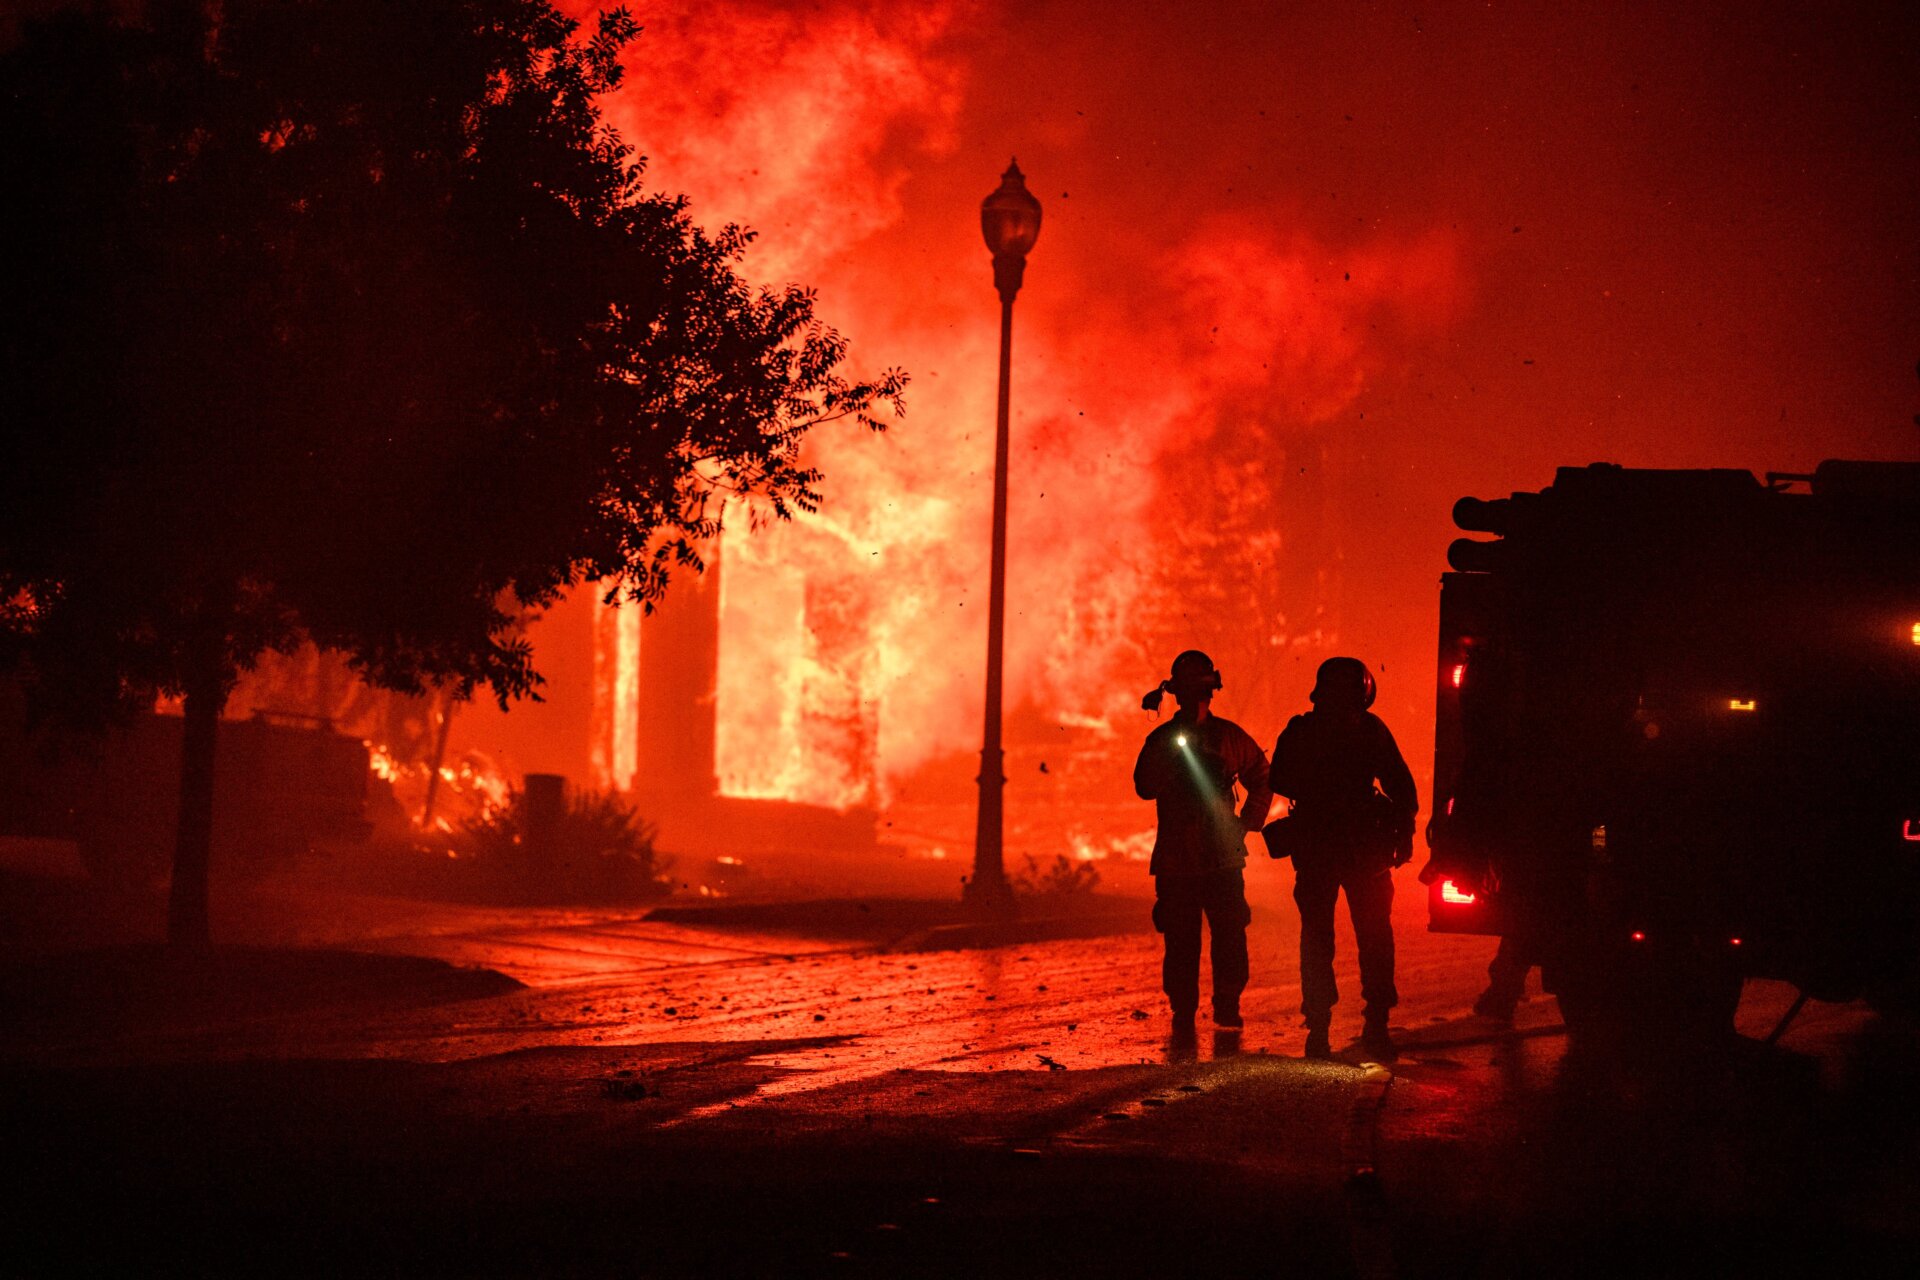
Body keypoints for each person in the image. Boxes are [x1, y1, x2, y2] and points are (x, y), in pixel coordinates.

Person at [1270, 657, 1418, 1061]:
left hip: (1318, 845)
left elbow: (1279, 778)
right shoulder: (1370, 729)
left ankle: (1318, 1025)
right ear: (1364, 691)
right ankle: (1377, 1022)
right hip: (1363, 849)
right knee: (1374, 935)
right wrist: (1404, 833)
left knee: (1317, 938)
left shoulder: (1302, 730)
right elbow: (1401, 786)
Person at [1133, 650, 1273, 1032]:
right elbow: (1145, 786)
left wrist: (1247, 823)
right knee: (1184, 940)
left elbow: (1262, 776)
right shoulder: (1167, 740)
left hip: (1215, 857)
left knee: (1224, 936)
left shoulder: (1228, 737)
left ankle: (1223, 1005)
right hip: (1183, 858)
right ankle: (1187, 1010)